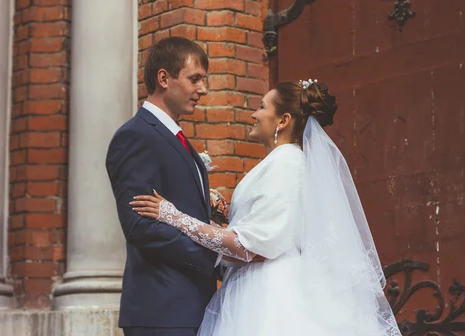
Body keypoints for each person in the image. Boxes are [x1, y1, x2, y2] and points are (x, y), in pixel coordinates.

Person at [130, 79, 402, 335]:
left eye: (262, 107)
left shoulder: (285, 164)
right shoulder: (281, 163)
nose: (254, 114)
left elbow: (250, 247)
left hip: (268, 294)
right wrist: (222, 213)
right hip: (255, 284)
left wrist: (174, 216)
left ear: (283, 121)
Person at [106, 37, 221, 336]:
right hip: (162, 310)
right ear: (163, 78)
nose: (203, 90)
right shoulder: (136, 135)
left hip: (192, 305)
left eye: (204, 81)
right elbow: (140, 226)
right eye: (194, 79)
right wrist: (213, 256)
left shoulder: (177, 139)